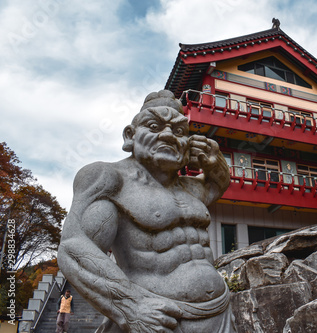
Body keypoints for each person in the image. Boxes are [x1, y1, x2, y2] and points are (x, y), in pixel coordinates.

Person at [58, 90, 234, 333]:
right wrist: (131, 307)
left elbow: (218, 184)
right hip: (155, 317)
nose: (168, 136)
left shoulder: (192, 188)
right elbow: (75, 246)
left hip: (219, 312)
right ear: (130, 136)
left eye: (179, 131)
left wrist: (216, 162)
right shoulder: (110, 180)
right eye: (154, 126)